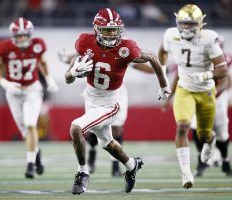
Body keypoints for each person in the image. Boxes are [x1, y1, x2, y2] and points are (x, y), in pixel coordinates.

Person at [65, 8, 170, 195]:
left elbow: (153, 57)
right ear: (97, 30)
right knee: (106, 143)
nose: (112, 34)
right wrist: (73, 72)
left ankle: (82, 173)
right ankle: (132, 165)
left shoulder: (126, 48)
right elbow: (68, 78)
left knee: (76, 127)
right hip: (90, 98)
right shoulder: (84, 42)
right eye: (107, 30)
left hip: (109, 103)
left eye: (115, 30)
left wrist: (163, 85)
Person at [158, 4, 228, 189]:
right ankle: (186, 173)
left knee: (204, 135)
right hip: (184, 89)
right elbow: (163, 51)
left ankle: (210, 140)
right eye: (183, 24)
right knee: (182, 127)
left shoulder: (209, 38)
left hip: (205, 91)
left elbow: (223, 69)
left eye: (190, 24)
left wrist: (205, 75)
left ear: (199, 24)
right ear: (177, 23)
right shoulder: (170, 34)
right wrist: (163, 75)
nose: (186, 28)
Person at [0, 17, 59, 179]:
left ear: (30, 34)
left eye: (23, 35)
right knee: (25, 133)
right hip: (13, 92)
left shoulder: (37, 44)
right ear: (12, 35)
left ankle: (30, 164)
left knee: (30, 125)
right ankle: (37, 153)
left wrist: (49, 80)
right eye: (17, 35)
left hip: (32, 89)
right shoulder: (5, 46)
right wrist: (5, 83)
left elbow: (43, 62)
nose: (21, 38)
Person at [58, 51, 128, 177]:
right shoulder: (91, 44)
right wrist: (71, 63)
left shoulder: (123, 49)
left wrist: (160, 70)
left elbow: (140, 60)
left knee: (117, 128)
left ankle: (116, 164)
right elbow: (79, 55)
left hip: (114, 94)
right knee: (92, 128)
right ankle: (92, 156)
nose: (110, 34)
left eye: (113, 30)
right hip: (95, 93)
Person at [190, 35, 232, 177]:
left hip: (218, 99)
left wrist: (213, 92)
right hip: (200, 97)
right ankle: (202, 161)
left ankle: (225, 161)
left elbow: (226, 81)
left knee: (222, 135)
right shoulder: (197, 58)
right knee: (196, 129)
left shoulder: (224, 59)